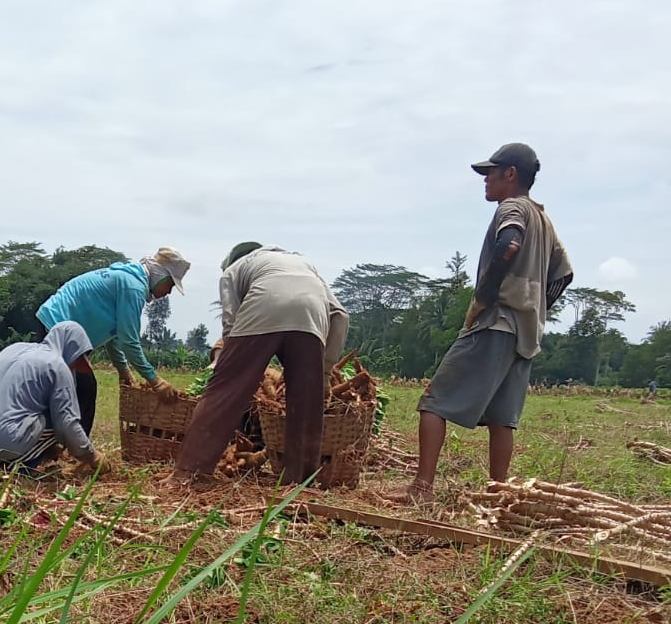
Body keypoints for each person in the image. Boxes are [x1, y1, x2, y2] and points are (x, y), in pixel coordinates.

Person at [388, 143, 573, 504]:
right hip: (526, 332)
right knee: (503, 419)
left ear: (511, 174)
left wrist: (486, 296)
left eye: (491, 172)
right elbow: (563, 275)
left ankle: (421, 490)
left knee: (433, 401)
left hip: (496, 322)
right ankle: (497, 494)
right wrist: (537, 307)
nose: (485, 180)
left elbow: (509, 245)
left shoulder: (514, 208)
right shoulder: (544, 219)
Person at [165, 243, 349, 486]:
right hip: (310, 315)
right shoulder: (304, 264)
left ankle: (189, 474)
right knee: (307, 404)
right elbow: (341, 315)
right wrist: (324, 371)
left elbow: (231, 321)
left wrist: (231, 364)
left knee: (224, 393)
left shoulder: (232, 271)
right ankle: (299, 483)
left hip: (264, 306)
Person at [36, 247, 190, 435]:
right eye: (171, 285)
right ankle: (75, 451)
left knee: (71, 389)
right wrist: (154, 380)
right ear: (162, 276)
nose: (169, 292)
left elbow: (116, 336)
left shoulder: (130, 281)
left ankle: (62, 445)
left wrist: (123, 370)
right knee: (82, 388)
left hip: (57, 326)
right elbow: (129, 341)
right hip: (57, 325)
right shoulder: (133, 287)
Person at [0, 321, 105, 474]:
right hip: (3, 441)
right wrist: (92, 456)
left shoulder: (14, 348)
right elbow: (67, 424)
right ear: (72, 350)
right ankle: (23, 468)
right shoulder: (57, 366)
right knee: (57, 415)